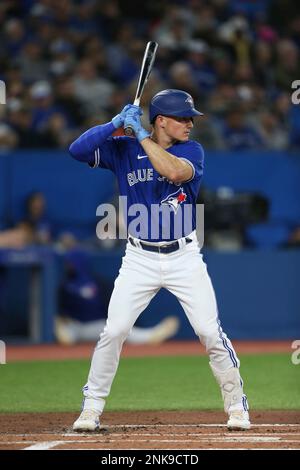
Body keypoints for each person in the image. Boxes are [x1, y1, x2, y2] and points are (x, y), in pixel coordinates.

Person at [69, 89, 250, 432]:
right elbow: (76, 150)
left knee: (209, 332)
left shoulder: (191, 150)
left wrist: (139, 134)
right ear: (161, 121)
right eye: (183, 118)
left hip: (184, 256)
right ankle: (90, 409)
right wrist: (113, 125)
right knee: (115, 331)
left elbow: (175, 173)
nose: (190, 124)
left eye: (191, 118)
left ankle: (237, 406)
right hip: (138, 257)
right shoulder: (123, 149)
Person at [55, 249, 179, 345]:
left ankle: (151, 335)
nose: (69, 266)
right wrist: (61, 320)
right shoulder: (64, 285)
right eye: (68, 263)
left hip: (97, 325)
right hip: (74, 326)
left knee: (115, 329)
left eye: (72, 263)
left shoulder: (97, 283)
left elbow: (111, 306)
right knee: (66, 332)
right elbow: (60, 309)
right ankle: (63, 333)